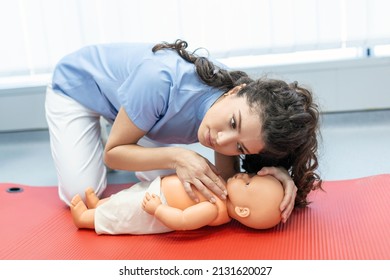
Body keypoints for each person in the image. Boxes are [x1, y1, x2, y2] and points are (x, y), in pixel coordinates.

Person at [45, 39, 322, 223]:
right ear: (235, 91)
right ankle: (119, 126)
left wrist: (277, 175)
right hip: (76, 89)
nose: (220, 140)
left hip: (143, 111)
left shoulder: (241, 115)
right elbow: (113, 155)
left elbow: (226, 186)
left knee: (183, 190)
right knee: (79, 194)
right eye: (233, 123)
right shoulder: (161, 80)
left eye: (239, 147)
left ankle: (127, 124)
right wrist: (177, 156)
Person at [70, 173, 284, 234]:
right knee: (124, 198)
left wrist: (158, 209)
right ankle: (100, 205)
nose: (243, 175)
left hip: (155, 206)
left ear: (242, 210)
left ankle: (86, 219)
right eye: (250, 175)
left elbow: (182, 221)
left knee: (123, 213)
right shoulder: (223, 192)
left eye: (247, 183)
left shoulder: (213, 208)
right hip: (156, 189)